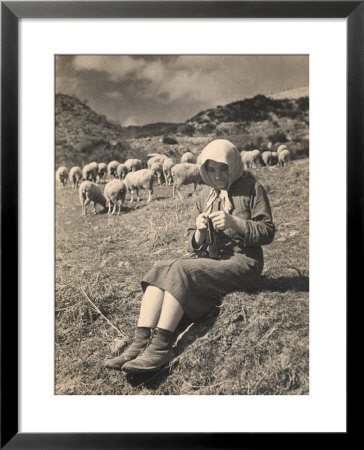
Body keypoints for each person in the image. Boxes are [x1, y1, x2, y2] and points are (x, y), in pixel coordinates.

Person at [104, 139, 275, 373]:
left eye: (223, 168)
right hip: (214, 262)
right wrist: (200, 231)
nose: (217, 176)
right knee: (161, 267)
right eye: (210, 169)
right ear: (203, 169)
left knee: (183, 269)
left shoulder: (251, 187)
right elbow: (193, 244)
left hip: (244, 263)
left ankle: (161, 347)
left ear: (234, 165)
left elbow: (267, 231)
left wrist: (235, 222)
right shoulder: (205, 196)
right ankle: (139, 343)